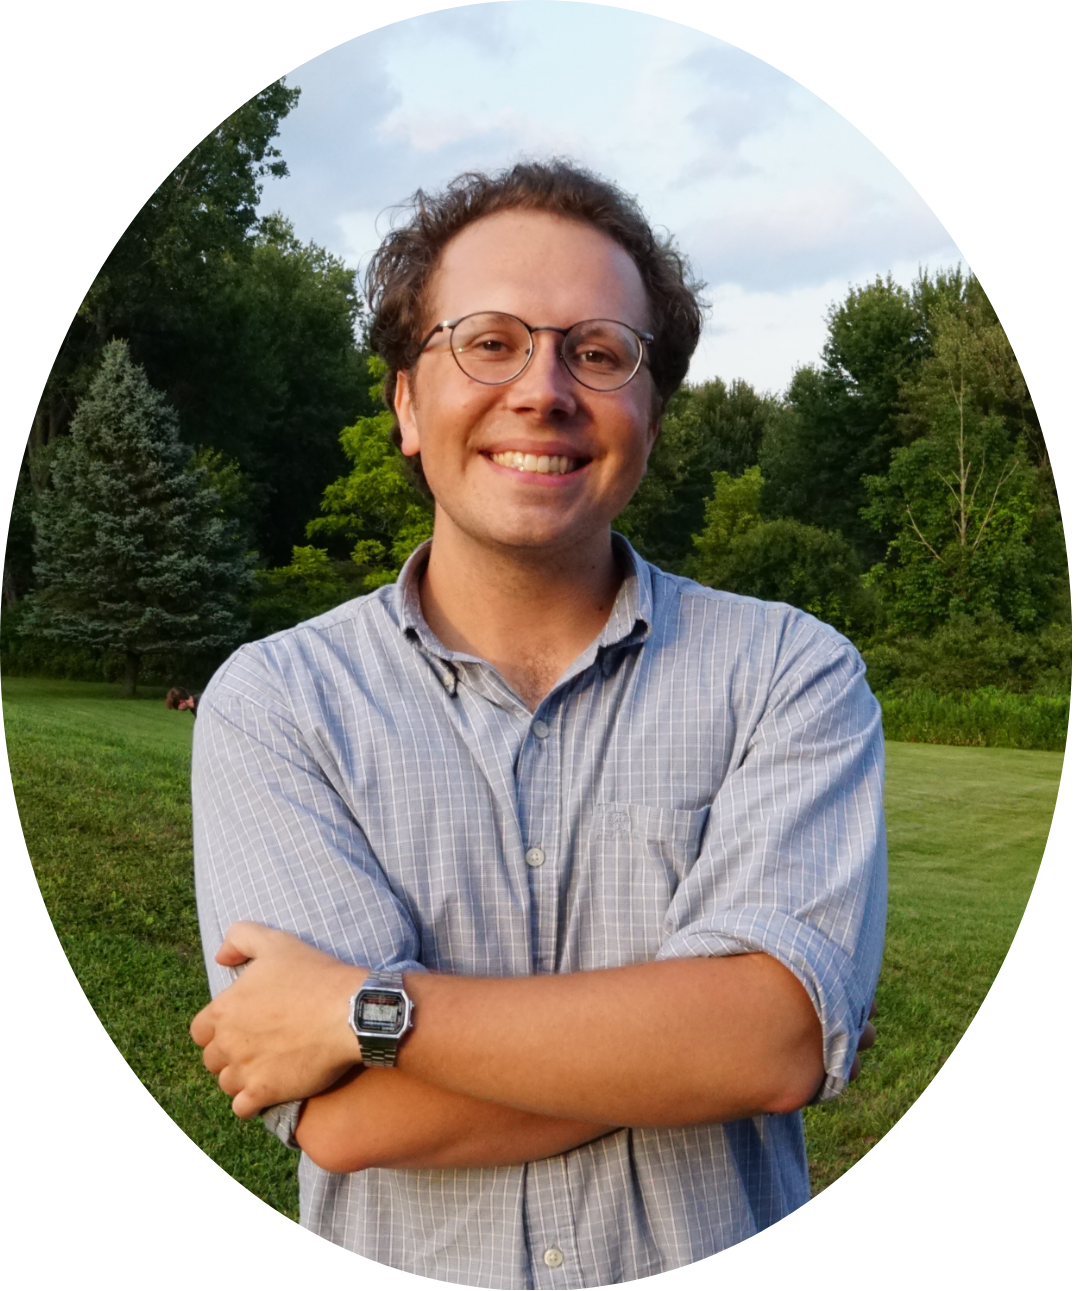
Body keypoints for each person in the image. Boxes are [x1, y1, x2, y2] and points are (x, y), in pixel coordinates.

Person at [189, 161, 886, 1288]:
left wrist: (364, 1012)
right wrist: (671, 1054)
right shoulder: (276, 703)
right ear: (407, 405)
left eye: (599, 352)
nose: (543, 389)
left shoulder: (790, 673)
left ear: (651, 415)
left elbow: (768, 1041)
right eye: (489, 341)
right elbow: (349, 1119)